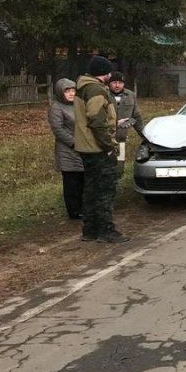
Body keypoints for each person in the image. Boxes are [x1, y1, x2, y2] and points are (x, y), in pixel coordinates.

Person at [74, 56, 127, 243]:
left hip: (85, 146)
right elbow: (96, 120)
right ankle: (106, 230)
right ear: (104, 73)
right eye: (109, 72)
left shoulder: (83, 87)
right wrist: (109, 145)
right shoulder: (96, 89)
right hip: (97, 147)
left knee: (90, 188)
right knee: (105, 190)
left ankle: (89, 230)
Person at [48, 78, 85, 219]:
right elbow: (58, 129)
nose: (71, 93)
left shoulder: (78, 104)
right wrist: (73, 142)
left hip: (82, 147)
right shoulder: (56, 107)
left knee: (82, 180)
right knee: (71, 182)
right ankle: (74, 211)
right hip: (67, 150)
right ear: (60, 92)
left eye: (73, 90)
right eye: (67, 91)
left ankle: (83, 207)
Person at [107, 71, 144, 177]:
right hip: (105, 139)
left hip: (120, 139)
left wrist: (145, 136)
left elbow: (136, 117)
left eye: (120, 82)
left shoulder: (131, 95)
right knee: (106, 168)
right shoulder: (104, 95)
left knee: (119, 168)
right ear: (109, 83)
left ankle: (117, 187)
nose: (117, 85)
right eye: (114, 82)